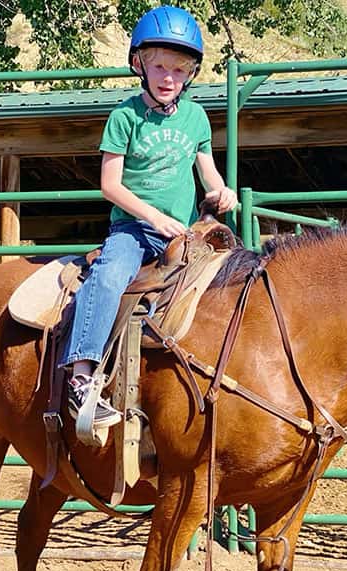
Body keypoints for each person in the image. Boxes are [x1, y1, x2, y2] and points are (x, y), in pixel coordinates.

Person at [60, 5, 237, 427]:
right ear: (139, 63)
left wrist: (220, 190)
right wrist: (154, 218)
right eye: (159, 66)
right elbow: (110, 185)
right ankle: (81, 377)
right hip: (135, 228)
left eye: (179, 69)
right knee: (108, 275)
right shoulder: (124, 117)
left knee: (237, 275)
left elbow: (206, 167)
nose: (168, 77)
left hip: (186, 231)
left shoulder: (196, 117)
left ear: (191, 73)